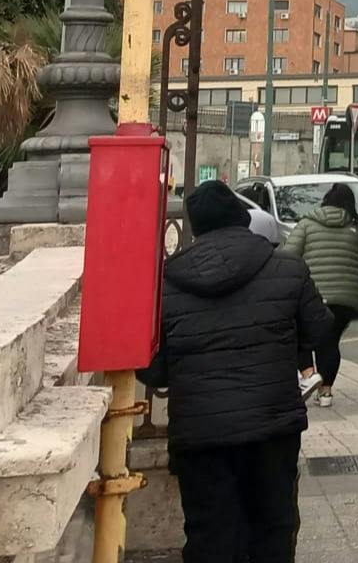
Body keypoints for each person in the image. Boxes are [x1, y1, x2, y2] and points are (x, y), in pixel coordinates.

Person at [142, 181, 331, 563]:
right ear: (242, 219)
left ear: (195, 228)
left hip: (201, 437)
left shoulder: (166, 284)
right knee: (272, 529)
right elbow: (321, 331)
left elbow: (154, 371)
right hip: (272, 429)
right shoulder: (288, 269)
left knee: (210, 535)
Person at [280, 182, 358, 407]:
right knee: (330, 342)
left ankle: (309, 376)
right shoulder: (355, 228)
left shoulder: (307, 224)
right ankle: (326, 392)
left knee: (299, 335)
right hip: (347, 298)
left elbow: (289, 255)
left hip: (314, 295)